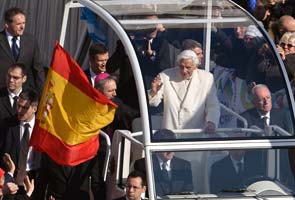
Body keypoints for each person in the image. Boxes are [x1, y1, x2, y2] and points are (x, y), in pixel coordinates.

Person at [92, 73, 139, 200]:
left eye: (115, 90)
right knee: (95, 182)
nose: (115, 93)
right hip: (93, 150)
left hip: (111, 150)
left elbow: (132, 114)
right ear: (99, 91)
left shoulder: (116, 102)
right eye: (110, 91)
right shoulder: (89, 103)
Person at [148, 50, 220, 132]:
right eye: (181, 67)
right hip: (171, 133)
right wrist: (153, 92)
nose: (184, 71)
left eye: (188, 67)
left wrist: (211, 122)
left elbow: (213, 105)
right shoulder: (165, 76)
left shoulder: (206, 78)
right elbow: (154, 103)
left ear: (195, 66)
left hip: (195, 133)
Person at [134, 129, 193, 196]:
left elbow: (188, 192)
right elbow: (140, 193)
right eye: (167, 146)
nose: (170, 150)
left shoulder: (184, 165)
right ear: (156, 146)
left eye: (173, 146)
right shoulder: (143, 165)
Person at [0, 7, 45, 95]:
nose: (22, 27)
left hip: (24, 95)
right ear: (7, 24)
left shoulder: (31, 41)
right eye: (18, 24)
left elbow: (38, 69)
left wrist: (42, 95)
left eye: (24, 23)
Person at [3, 89, 41, 181]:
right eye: (18, 105)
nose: (19, 110)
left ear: (34, 109)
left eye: (24, 108)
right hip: (11, 178)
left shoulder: (42, 128)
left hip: (34, 179)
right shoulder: (7, 125)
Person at [0, 64, 27, 133]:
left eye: (15, 78)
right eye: (9, 76)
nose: (11, 80)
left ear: (24, 79)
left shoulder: (30, 97)